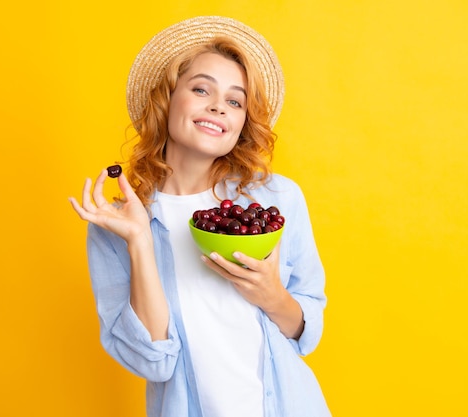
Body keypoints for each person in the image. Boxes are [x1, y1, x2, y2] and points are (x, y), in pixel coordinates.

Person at [69, 16, 331, 417]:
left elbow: (305, 330)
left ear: (242, 121)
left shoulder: (276, 200)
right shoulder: (118, 226)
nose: (217, 107)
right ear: (168, 99)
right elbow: (153, 361)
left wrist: (271, 295)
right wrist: (139, 242)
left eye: (234, 101)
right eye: (200, 89)